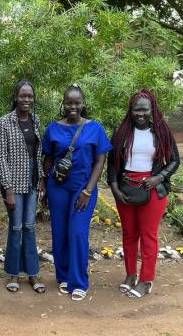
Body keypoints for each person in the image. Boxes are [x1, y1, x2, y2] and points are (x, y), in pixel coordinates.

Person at [107, 89, 180, 298]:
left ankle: (146, 279)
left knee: (148, 236)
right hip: (126, 189)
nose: (140, 114)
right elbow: (112, 163)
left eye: (144, 110)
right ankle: (130, 275)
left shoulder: (162, 131)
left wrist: (159, 177)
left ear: (152, 110)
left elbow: (175, 160)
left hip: (152, 189)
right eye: (136, 110)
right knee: (129, 234)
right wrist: (114, 187)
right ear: (130, 110)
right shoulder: (121, 132)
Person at [42, 85, 112, 301]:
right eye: (69, 103)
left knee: (78, 233)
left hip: (83, 188)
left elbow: (100, 160)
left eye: (77, 103)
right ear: (63, 104)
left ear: (83, 104)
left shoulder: (95, 129)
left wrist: (89, 191)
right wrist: (45, 185)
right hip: (58, 187)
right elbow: (48, 159)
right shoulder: (53, 128)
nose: (73, 106)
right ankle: (63, 276)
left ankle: (79, 281)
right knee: (60, 232)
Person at [0, 80, 45, 294]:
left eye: (30, 96)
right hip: (13, 182)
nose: (26, 99)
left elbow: (39, 154)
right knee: (16, 227)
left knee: (30, 226)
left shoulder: (36, 120)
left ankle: (33, 273)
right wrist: (7, 189)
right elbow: (2, 157)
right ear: (15, 97)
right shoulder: (4, 122)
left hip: (32, 180)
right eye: (23, 96)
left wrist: (41, 179)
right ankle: (14, 273)